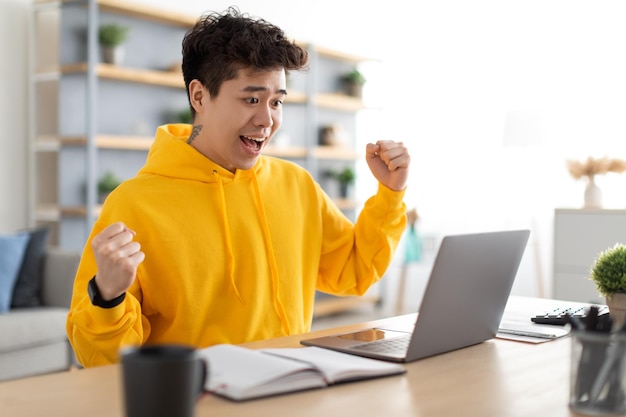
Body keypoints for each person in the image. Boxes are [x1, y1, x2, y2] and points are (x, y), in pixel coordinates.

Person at [66, 7, 411, 368]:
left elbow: (353, 271)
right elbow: (103, 362)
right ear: (199, 97)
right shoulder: (133, 204)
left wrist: (389, 195)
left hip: (292, 388)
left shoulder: (295, 184)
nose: (267, 120)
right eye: (251, 99)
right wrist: (106, 296)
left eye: (277, 101)